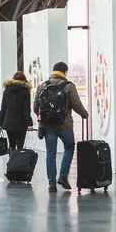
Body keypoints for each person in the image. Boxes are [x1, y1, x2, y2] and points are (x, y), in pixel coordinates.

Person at [33, 62, 88, 192]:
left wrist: (44, 117)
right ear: (65, 72)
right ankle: (63, 176)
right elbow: (76, 105)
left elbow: (35, 107)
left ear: (53, 71)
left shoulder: (43, 86)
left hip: (47, 126)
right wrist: (84, 114)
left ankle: (51, 184)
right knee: (69, 147)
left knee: (50, 153)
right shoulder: (68, 86)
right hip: (64, 125)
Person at [0, 71, 34, 152]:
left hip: (8, 121)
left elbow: (3, 108)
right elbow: (26, 110)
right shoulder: (25, 91)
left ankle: (12, 162)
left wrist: (0, 122)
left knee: (11, 144)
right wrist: (29, 123)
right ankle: (18, 162)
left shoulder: (6, 90)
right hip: (21, 122)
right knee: (20, 145)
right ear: (24, 79)